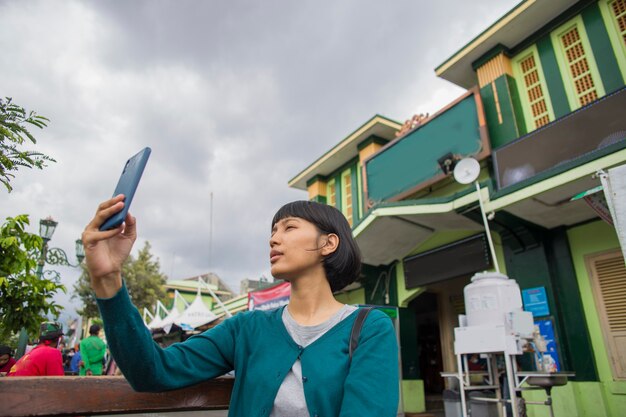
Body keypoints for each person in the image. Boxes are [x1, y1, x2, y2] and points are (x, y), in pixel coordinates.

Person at [83, 196, 399, 416]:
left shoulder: (371, 328)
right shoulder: (245, 329)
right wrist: (108, 279)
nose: (274, 239)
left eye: (289, 228)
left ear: (328, 244)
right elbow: (153, 371)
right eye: (273, 231)